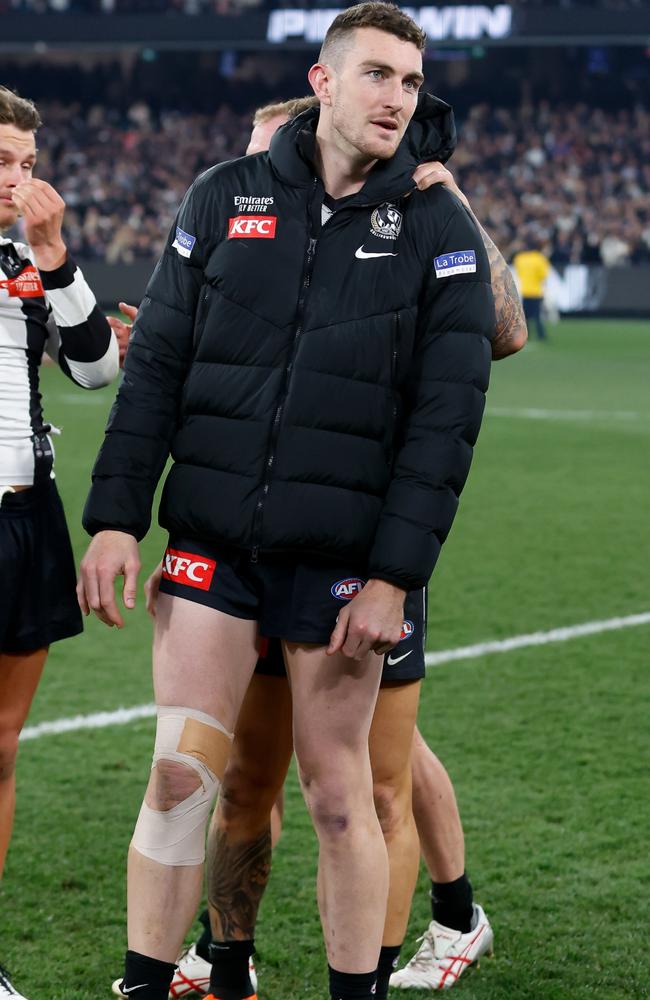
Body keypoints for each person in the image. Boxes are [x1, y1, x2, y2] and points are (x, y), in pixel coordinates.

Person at [78, 5, 498, 998]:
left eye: (410, 81)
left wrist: (394, 576)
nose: (397, 96)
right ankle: (150, 983)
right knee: (182, 778)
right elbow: (159, 370)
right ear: (322, 81)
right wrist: (113, 516)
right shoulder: (222, 195)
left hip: (342, 558)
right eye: (377, 75)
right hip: (212, 542)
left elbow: (445, 422)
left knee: (341, 801)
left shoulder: (435, 224)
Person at [0, 86, 118, 1000]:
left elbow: (95, 369)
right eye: (3, 162)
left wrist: (53, 257)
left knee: (1, 746)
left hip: (25, 513)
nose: (18, 180)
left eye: (29, 166)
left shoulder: (29, 256)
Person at [512, 240, 552, 341]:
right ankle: (541, 336)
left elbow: (519, 272)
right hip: (536, 291)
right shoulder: (540, 258)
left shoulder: (520, 258)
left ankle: (526, 335)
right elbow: (544, 275)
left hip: (525, 291)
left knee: (526, 317)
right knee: (537, 316)